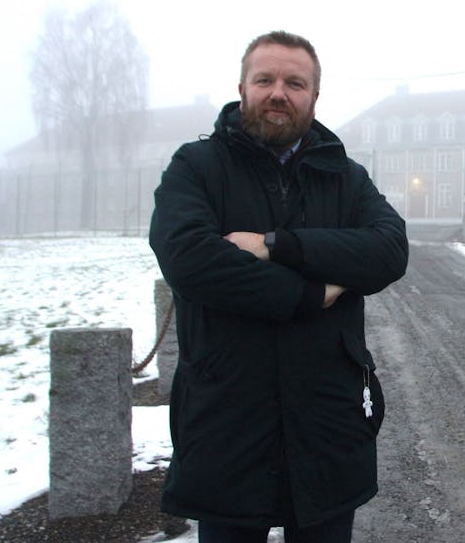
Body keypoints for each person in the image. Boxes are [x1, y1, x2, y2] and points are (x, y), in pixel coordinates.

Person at [149, 30, 408, 543]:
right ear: (242, 88)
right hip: (226, 421)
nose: (278, 92)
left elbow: (388, 251)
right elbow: (190, 259)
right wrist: (308, 294)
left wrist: (277, 245)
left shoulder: (346, 178)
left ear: (314, 96)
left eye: (295, 82)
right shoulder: (195, 167)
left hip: (327, 420)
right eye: (264, 79)